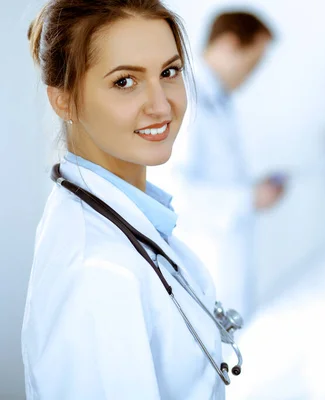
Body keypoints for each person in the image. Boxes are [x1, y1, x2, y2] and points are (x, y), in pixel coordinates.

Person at [22, 1, 233, 398]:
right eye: (125, 81)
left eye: (169, 72)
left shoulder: (126, 222)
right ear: (63, 100)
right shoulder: (99, 272)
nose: (161, 105)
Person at [153, 11, 285, 320]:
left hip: (225, 257)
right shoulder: (185, 98)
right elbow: (171, 190)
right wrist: (248, 198)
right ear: (228, 44)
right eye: (252, 62)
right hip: (202, 259)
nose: (253, 73)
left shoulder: (218, 101)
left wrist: (251, 192)